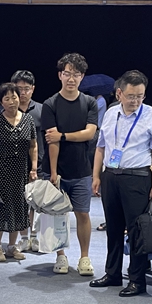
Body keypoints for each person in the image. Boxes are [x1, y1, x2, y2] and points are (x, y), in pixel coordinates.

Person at [89, 70, 152, 297]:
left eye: (140, 96)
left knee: (137, 231)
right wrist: (96, 176)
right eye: (131, 96)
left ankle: (137, 280)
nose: (135, 101)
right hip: (111, 176)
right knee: (113, 228)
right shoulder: (110, 113)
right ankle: (112, 274)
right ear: (119, 93)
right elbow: (101, 147)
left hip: (137, 178)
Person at [41, 53, 99, 276]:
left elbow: (89, 133)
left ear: (82, 76)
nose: (71, 78)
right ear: (60, 75)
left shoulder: (90, 103)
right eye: (67, 73)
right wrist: (54, 172)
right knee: (58, 216)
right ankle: (61, 256)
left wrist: (63, 136)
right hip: (56, 171)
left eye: (76, 74)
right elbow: (51, 141)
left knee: (83, 214)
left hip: (82, 169)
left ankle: (84, 258)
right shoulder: (50, 104)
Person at [0, 83, 38, 262]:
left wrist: (34, 168)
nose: (11, 101)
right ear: (1, 102)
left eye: (14, 97)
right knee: (0, 209)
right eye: (7, 98)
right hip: (0, 172)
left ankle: (12, 247)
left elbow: (33, 146)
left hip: (21, 173)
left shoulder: (28, 120)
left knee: (19, 208)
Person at [12, 69, 44, 253]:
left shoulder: (42, 110)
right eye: (19, 89)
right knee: (19, 203)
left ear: (33, 89)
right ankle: (24, 238)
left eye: (26, 89)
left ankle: (35, 236)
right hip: (15, 164)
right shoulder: (9, 111)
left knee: (37, 203)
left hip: (38, 164)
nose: (22, 93)